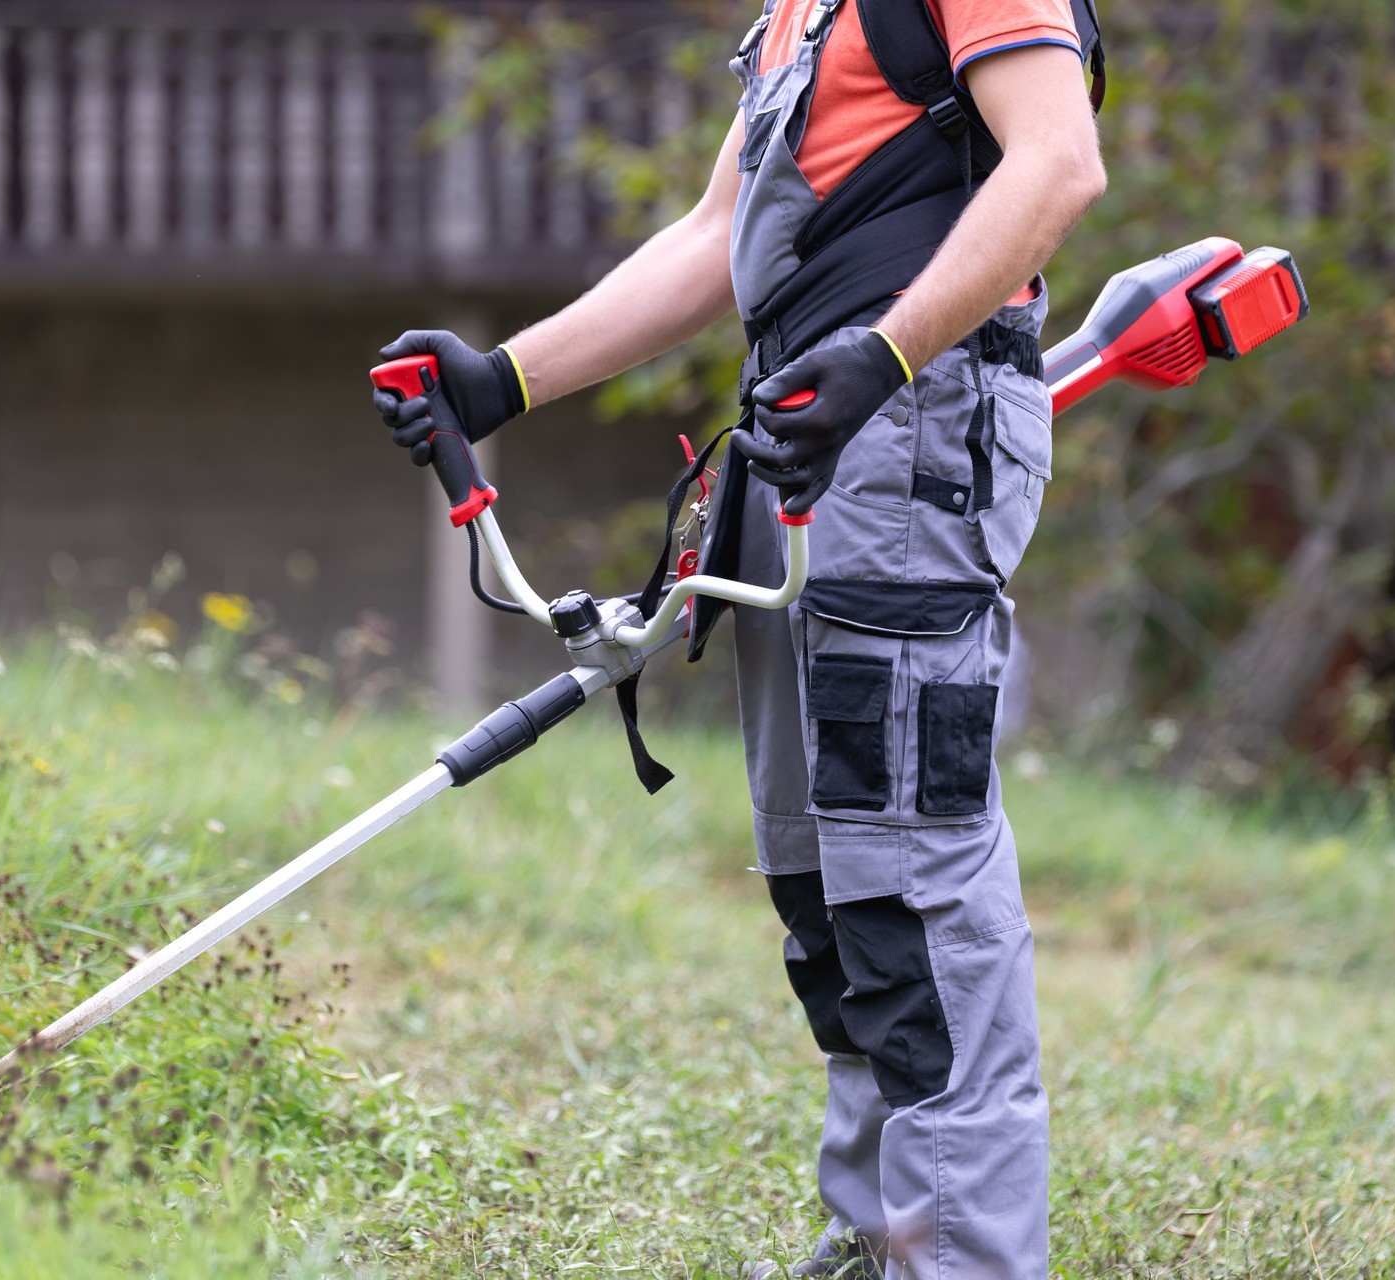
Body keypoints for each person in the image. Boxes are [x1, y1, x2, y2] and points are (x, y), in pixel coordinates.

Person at [374, 1, 1105, 1274]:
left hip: (909, 428)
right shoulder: (800, 12)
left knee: (909, 895)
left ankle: (965, 1258)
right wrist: (506, 378)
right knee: (824, 884)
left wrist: (883, 354)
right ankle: (883, 1235)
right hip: (806, 435)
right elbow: (723, 237)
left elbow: (1058, 161)